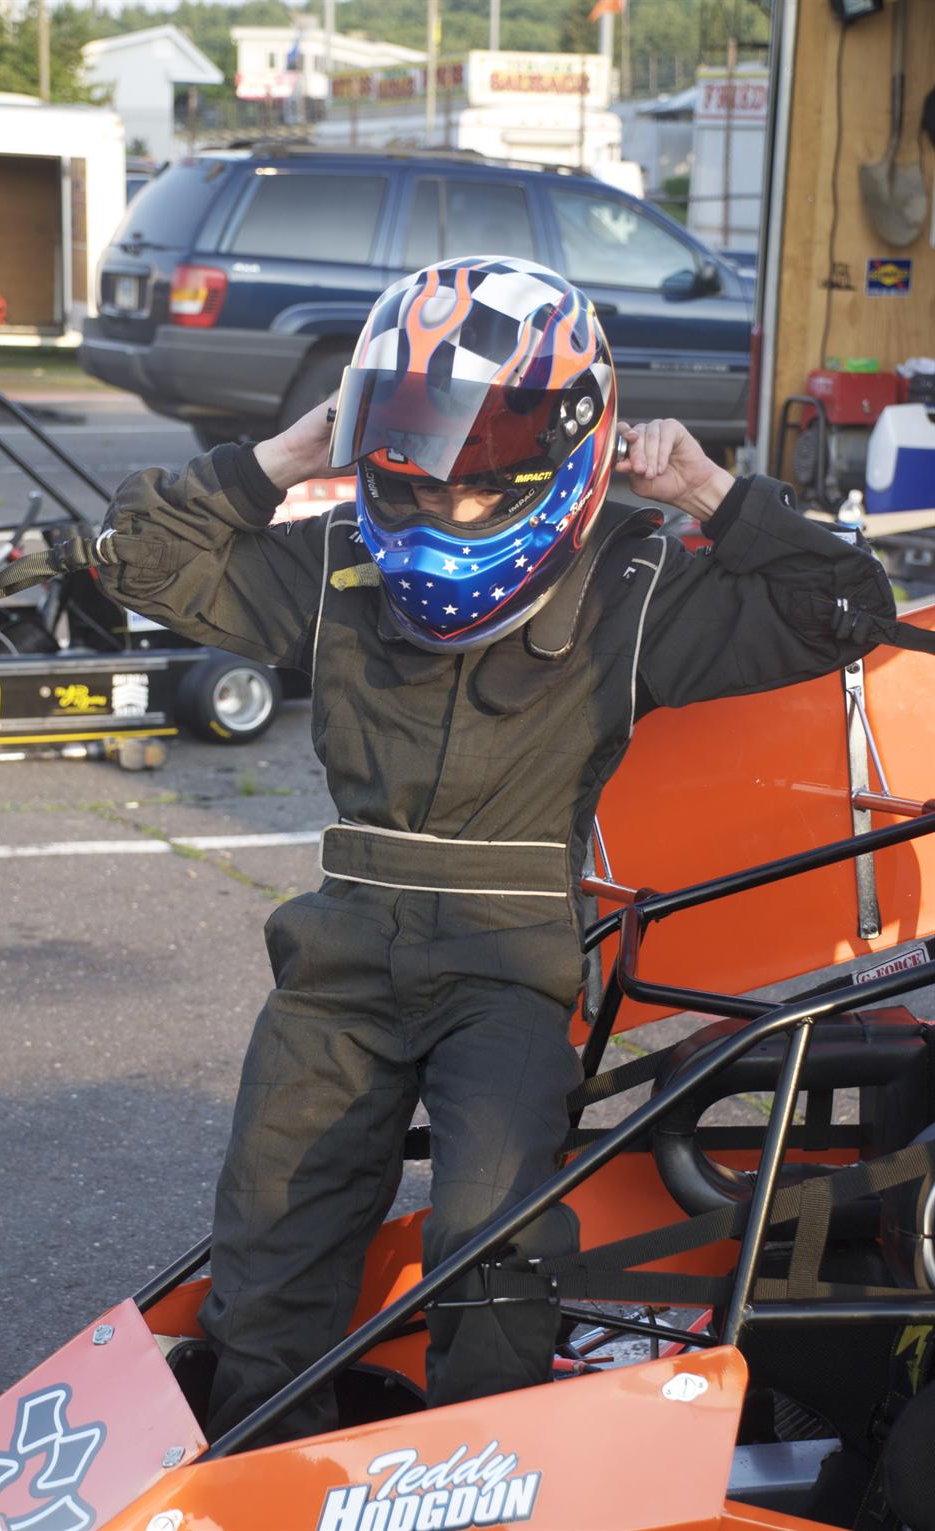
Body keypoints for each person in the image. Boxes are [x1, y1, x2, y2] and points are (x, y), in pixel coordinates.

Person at [88, 255, 900, 1445]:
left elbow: (844, 607)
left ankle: (483, 1471)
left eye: (478, 478)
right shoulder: (343, 562)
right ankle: (260, 1458)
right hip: (340, 956)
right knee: (273, 1234)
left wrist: (704, 488)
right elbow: (130, 559)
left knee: (494, 1242)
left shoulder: (630, 578)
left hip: (509, 966)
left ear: (558, 451)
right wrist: (291, 453)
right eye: (417, 468)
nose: (445, 503)